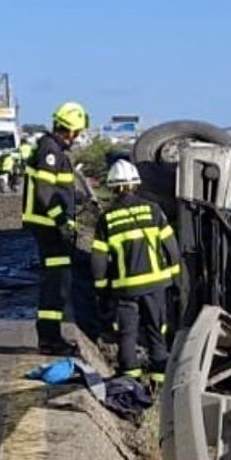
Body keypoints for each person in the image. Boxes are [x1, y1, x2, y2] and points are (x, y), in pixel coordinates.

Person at [91, 159, 182, 385]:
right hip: (156, 286)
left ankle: (130, 382)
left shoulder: (107, 219)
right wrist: (175, 279)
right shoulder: (153, 210)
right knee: (156, 331)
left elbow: (98, 260)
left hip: (125, 289)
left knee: (127, 334)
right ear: (135, 184)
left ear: (112, 188)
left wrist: (101, 289)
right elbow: (172, 248)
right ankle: (159, 381)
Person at [21, 102, 88, 355]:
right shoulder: (50, 150)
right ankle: (50, 339)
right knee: (55, 283)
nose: (77, 138)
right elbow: (45, 191)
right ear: (69, 130)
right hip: (48, 227)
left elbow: (56, 189)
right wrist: (61, 221)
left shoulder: (52, 148)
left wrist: (74, 200)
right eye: (77, 133)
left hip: (49, 225)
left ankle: (51, 337)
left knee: (57, 281)